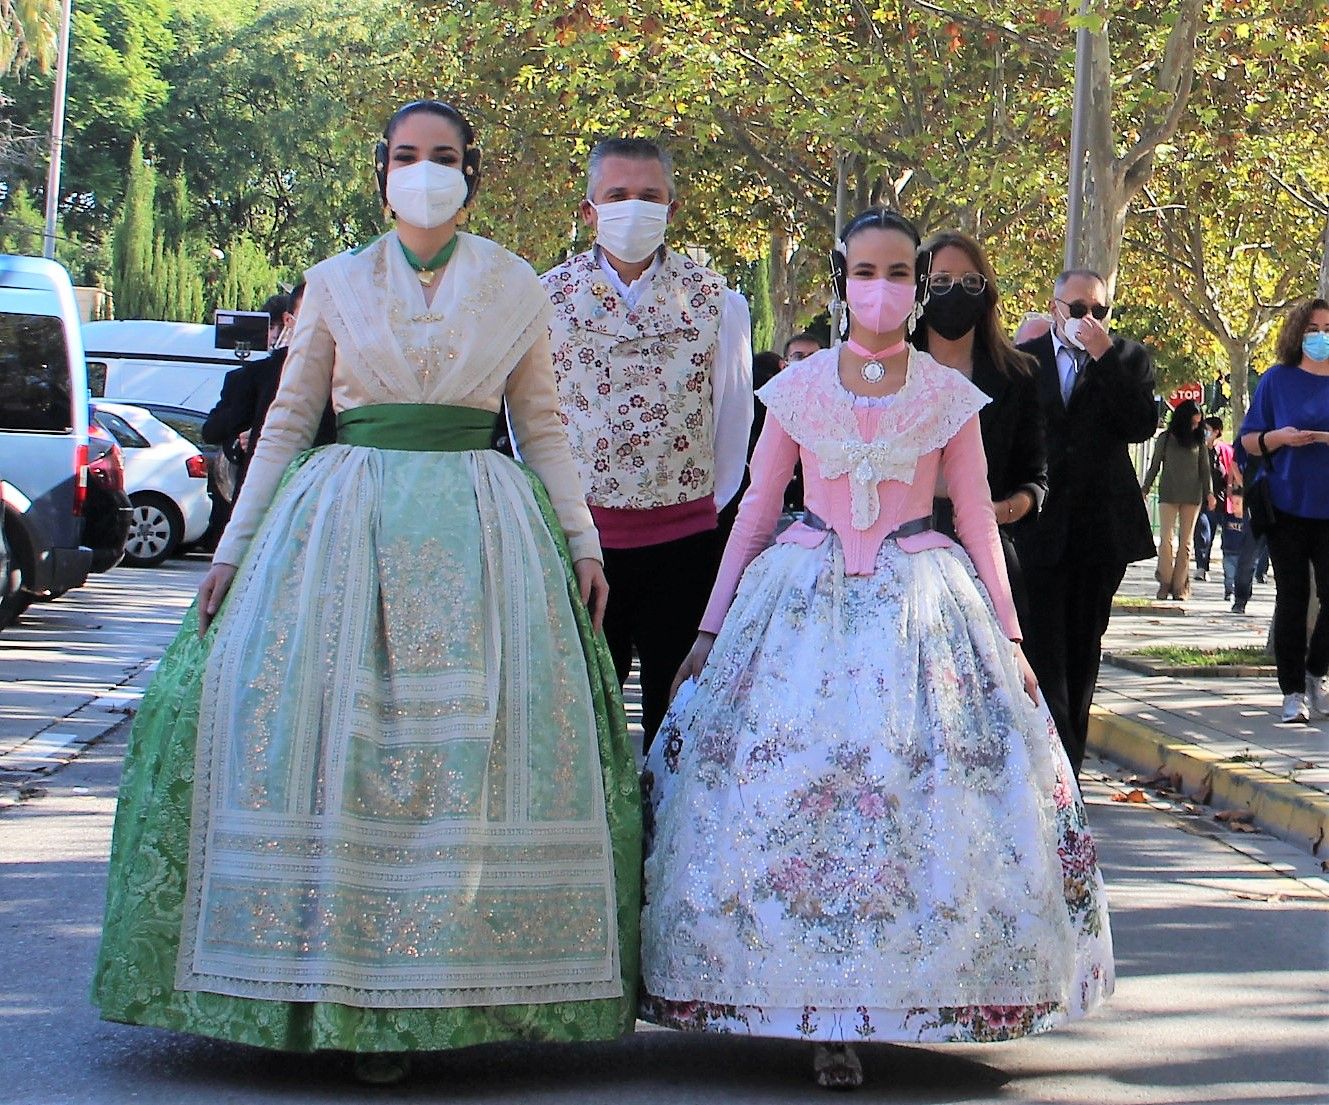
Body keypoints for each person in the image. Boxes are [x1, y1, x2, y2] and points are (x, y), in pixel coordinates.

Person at [92, 100, 640, 1083]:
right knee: (326, 742)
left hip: (484, 530)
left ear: (473, 170)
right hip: (345, 525)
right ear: (380, 171)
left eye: (442, 157)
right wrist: (232, 551)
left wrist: (583, 540)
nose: (422, 172)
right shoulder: (338, 281)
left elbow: (543, 425)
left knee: (469, 761)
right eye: (404, 156)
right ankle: (335, 985)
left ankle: (458, 985)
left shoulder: (515, 284)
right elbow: (295, 416)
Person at [638, 208, 1112, 1089]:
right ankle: (808, 1003)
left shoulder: (946, 394)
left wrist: (1008, 639)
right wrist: (708, 627)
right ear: (840, 274)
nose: (885, 288)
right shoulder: (799, 386)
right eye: (868, 271)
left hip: (920, 606)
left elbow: (972, 514)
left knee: (914, 799)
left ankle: (896, 994)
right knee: (793, 792)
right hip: (799, 599)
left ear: (919, 286)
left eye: (903, 274)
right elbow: (752, 507)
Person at [543, 137, 753, 750]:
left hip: (683, 544)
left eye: (648, 196)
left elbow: (732, 424)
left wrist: (699, 508)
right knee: (583, 716)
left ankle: (668, 841)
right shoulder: (544, 299)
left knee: (678, 716)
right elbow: (533, 424)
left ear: (671, 206)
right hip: (582, 545)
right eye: (617, 196)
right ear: (588, 210)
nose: (633, 208)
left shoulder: (720, 303)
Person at [1015, 269, 1157, 777]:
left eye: (1099, 312)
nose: (1088, 320)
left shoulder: (1126, 360)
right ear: (1055, 309)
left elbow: (1141, 423)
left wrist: (1104, 358)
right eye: (1078, 310)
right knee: (1042, 648)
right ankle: (1048, 764)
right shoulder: (1026, 361)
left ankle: (1068, 766)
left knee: (1083, 649)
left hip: (1100, 532)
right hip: (1039, 528)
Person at [914, 230, 1047, 632]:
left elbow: (1035, 480)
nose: (955, 292)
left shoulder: (1018, 375)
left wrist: (999, 512)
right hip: (901, 553)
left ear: (986, 292)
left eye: (970, 282)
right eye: (940, 282)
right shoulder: (895, 370)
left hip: (984, 554)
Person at [1238, 297, 1329, 723]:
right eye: (1314, 329)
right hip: (1287, 504)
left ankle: (1315, 674)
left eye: (1328, 329)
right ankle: (1293, 691)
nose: (1321, 337)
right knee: (1292, 598)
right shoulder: (1276, 380)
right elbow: (1249, 441)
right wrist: (1280, 437)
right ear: (1298, 333)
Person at [202, 283, 336, 495]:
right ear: (289, 321)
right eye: (309, 316)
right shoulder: (255, 376)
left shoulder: (344, 378)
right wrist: (246, 439)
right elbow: (216, 432)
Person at [1141, 399, 1214, 601]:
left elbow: (1205, 469)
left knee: (1186, 543)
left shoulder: (1199, 441)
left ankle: (1180, 586)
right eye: (1192, 423)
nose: (1196, 427)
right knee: (1166, 541)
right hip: (1169, 494)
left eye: (1198, 424)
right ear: (1183, 420)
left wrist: (1210, 493)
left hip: (1193, 496)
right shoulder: (1165, 438)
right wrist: (1145, 489)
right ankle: (1164, 581)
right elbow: (1154, 466)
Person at [1192, 415, 1233, 581]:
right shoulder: (1197, 448)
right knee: (1203, 533)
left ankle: (1230, 570)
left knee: (1228, 536)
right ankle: (1202, 567)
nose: (1204, 432)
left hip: (1223, 500)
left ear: (1216, 432)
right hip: (1201, 498)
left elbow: (1232, 474)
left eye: (1208, 429)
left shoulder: (1225, 451)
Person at [1221, 487, 1247, 604]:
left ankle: (1242, 592)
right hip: (1229, 552)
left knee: (1241, 577)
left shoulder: (1248, 521)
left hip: (1242, 554)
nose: (1235, 506)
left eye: (1238, 503)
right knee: (1229, 574)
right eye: (1233, 503)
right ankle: (1229, 591)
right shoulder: (1227, 518)